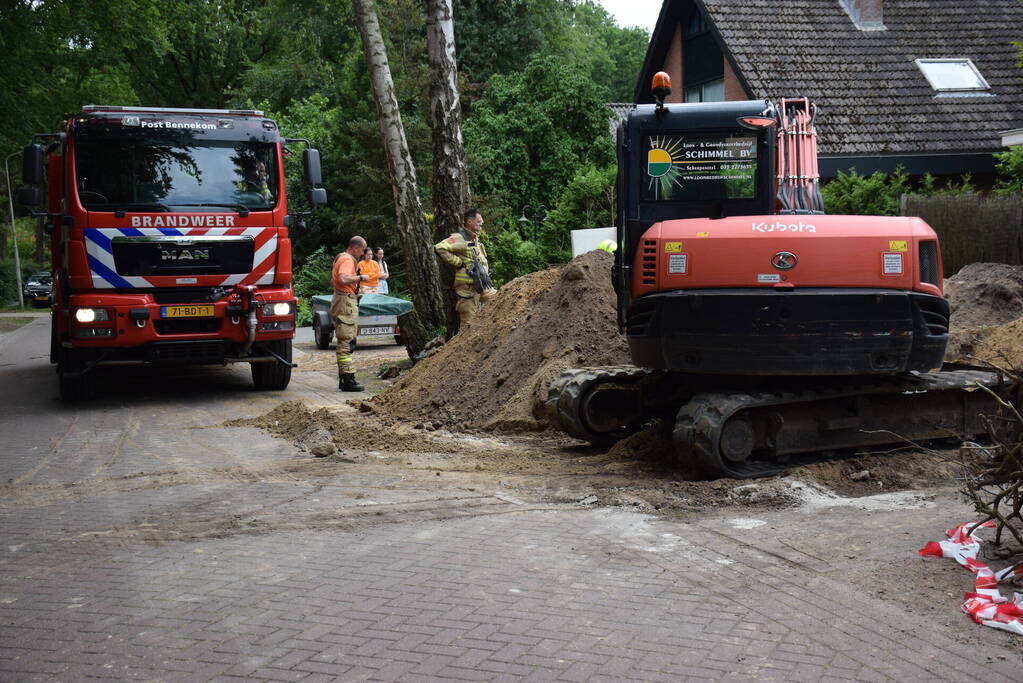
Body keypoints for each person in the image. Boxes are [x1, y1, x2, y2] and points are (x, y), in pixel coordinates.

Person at [434, 208, 497, 327]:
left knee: (500, 299)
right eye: (478, 222)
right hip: (468, 287)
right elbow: (439, 247)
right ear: (469, 222)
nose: (481, 224)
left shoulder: (474, 238)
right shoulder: (460, 238)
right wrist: (458, 262)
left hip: (482, 283)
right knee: (468, 323)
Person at [331, 236, 371, 392]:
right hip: (345, 303)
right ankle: (348, 379)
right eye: (362, 250)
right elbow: (342, 278)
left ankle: (345, 377)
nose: (362, 254)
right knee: (346, 342)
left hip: (344, 300)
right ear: (355, 248)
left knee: (347, 341)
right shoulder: (347, 259)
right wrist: (360, 277)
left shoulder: (341, 257)